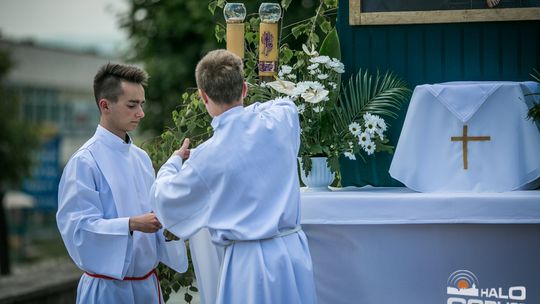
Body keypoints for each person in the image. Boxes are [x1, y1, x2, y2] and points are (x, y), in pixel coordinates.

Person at [150, 49, 317, 303]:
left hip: (248, 266)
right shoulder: (281, 119)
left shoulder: (205, 158)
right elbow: (282, 103)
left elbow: (164, 199)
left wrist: (174, 161)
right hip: (292, 254)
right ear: (245, 89)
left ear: (202, 96)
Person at [56, 63, 187, 304]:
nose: (141, 113)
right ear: (105, 105)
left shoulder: (141, 158)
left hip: (147, 286)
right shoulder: (84, 162)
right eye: (132, 105)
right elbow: (78, 231)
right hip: (107, 290)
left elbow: (155, 216)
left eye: (142, 104)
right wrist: (131, 224)